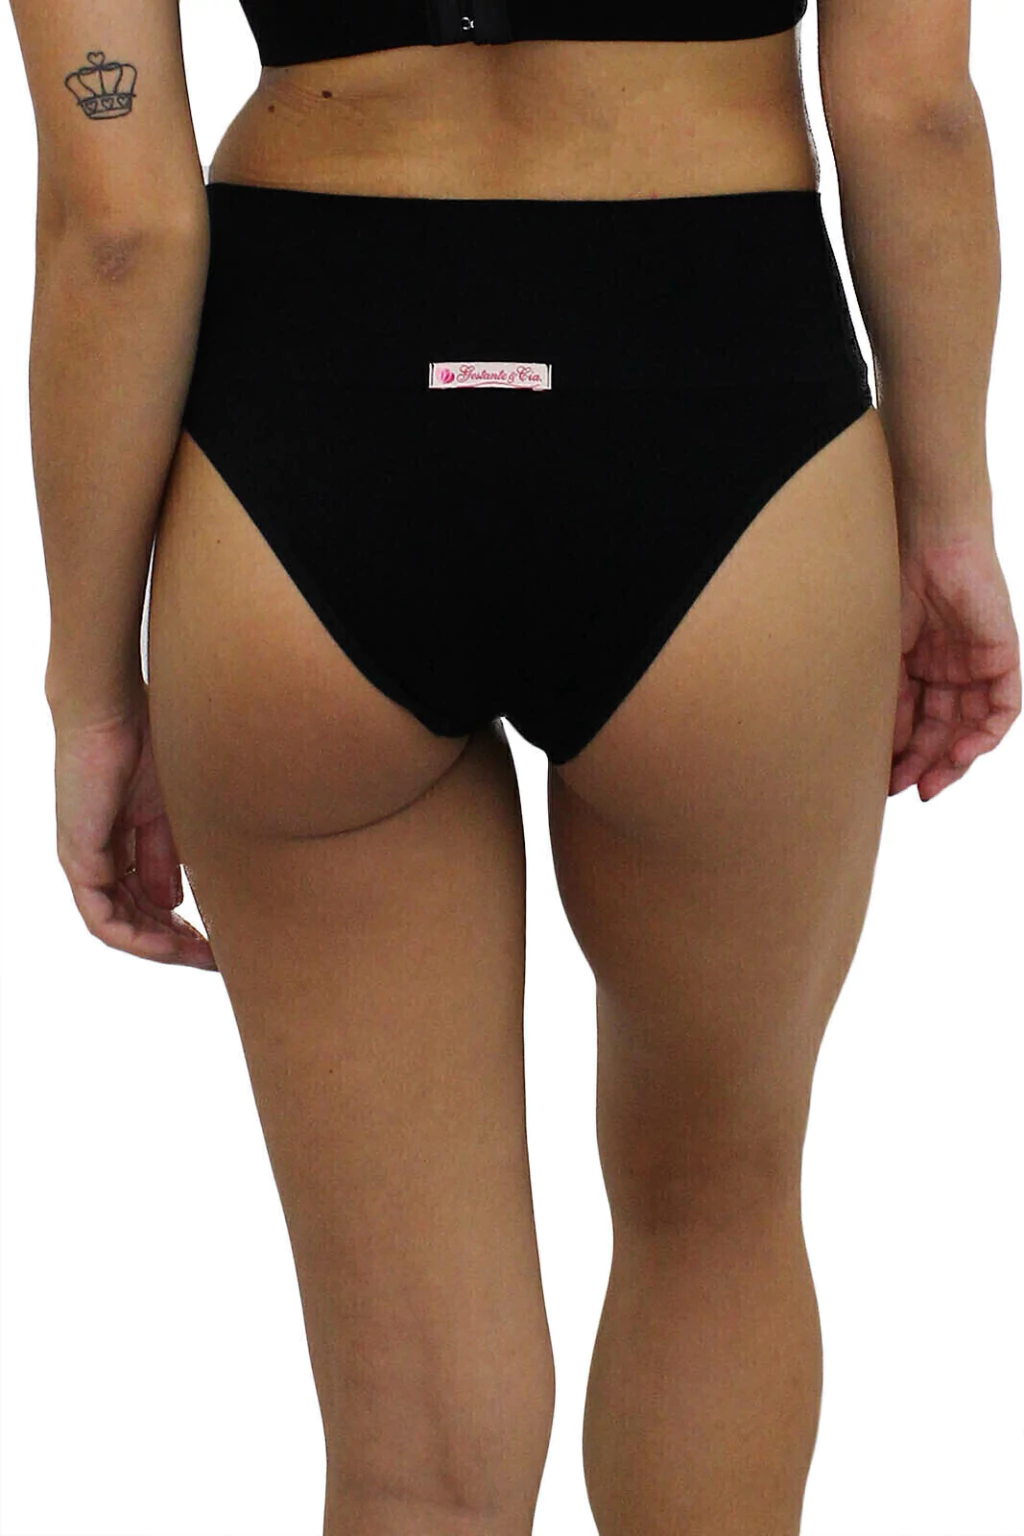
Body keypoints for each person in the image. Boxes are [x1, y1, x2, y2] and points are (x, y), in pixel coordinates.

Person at [11, 0, 1020, 1532]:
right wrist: (947, 525)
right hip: (721, 405)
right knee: (715, 1212)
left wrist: (93, 686)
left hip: (311, 430)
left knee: (412, 1446)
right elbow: (915, 110)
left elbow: (118, 228)